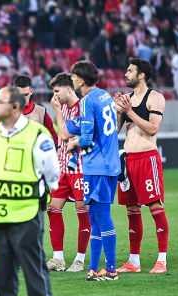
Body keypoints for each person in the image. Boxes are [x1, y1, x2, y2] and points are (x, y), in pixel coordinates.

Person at [0, 86, 59, 296]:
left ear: (15, 106)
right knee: (2, 270)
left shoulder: (38, 134)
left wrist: (38, 195)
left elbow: (52, 173)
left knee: (33, 268)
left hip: (26, 212)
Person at [66, 60, 121, 281]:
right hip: (110, 163)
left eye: (73, 76)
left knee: (101, 216)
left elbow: (87, 138)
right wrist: (74, 124)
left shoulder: (88, 100)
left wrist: (74, 142)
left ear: (79, 79)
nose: (71, 79)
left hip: (96, 165)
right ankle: (93, 267)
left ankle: (111, 269)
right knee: (95, 216)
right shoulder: (104, 95)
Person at [114, 58, 169, 274]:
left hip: (147, 158)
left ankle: (162, 259)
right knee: (132, 209)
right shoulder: (126, 100)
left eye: (130, 70)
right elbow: (115, 132)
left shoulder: (155, 98)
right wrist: (117, 111)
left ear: (142, 74)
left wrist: (129, 112)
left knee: (155, 207)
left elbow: (152, 128)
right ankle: (133, 261)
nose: (125, 74)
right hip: (128, 160)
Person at [47, 73, 90, 272]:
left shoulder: (83, 107)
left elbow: (65, 134)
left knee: (82, 211)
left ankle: (80, 259)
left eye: (57, 91)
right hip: (62, 167)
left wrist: (56, 111)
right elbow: (59, 137)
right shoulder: (62, 106)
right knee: (53, 209)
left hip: (80, 167)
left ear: (69, 89)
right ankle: (58, 258)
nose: (54, 96)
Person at [13, 75, 59, 146]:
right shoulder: (8, 112)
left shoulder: (41, 112)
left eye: (25, 95)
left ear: (31, 91)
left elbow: (52, 135)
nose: (23, 98)